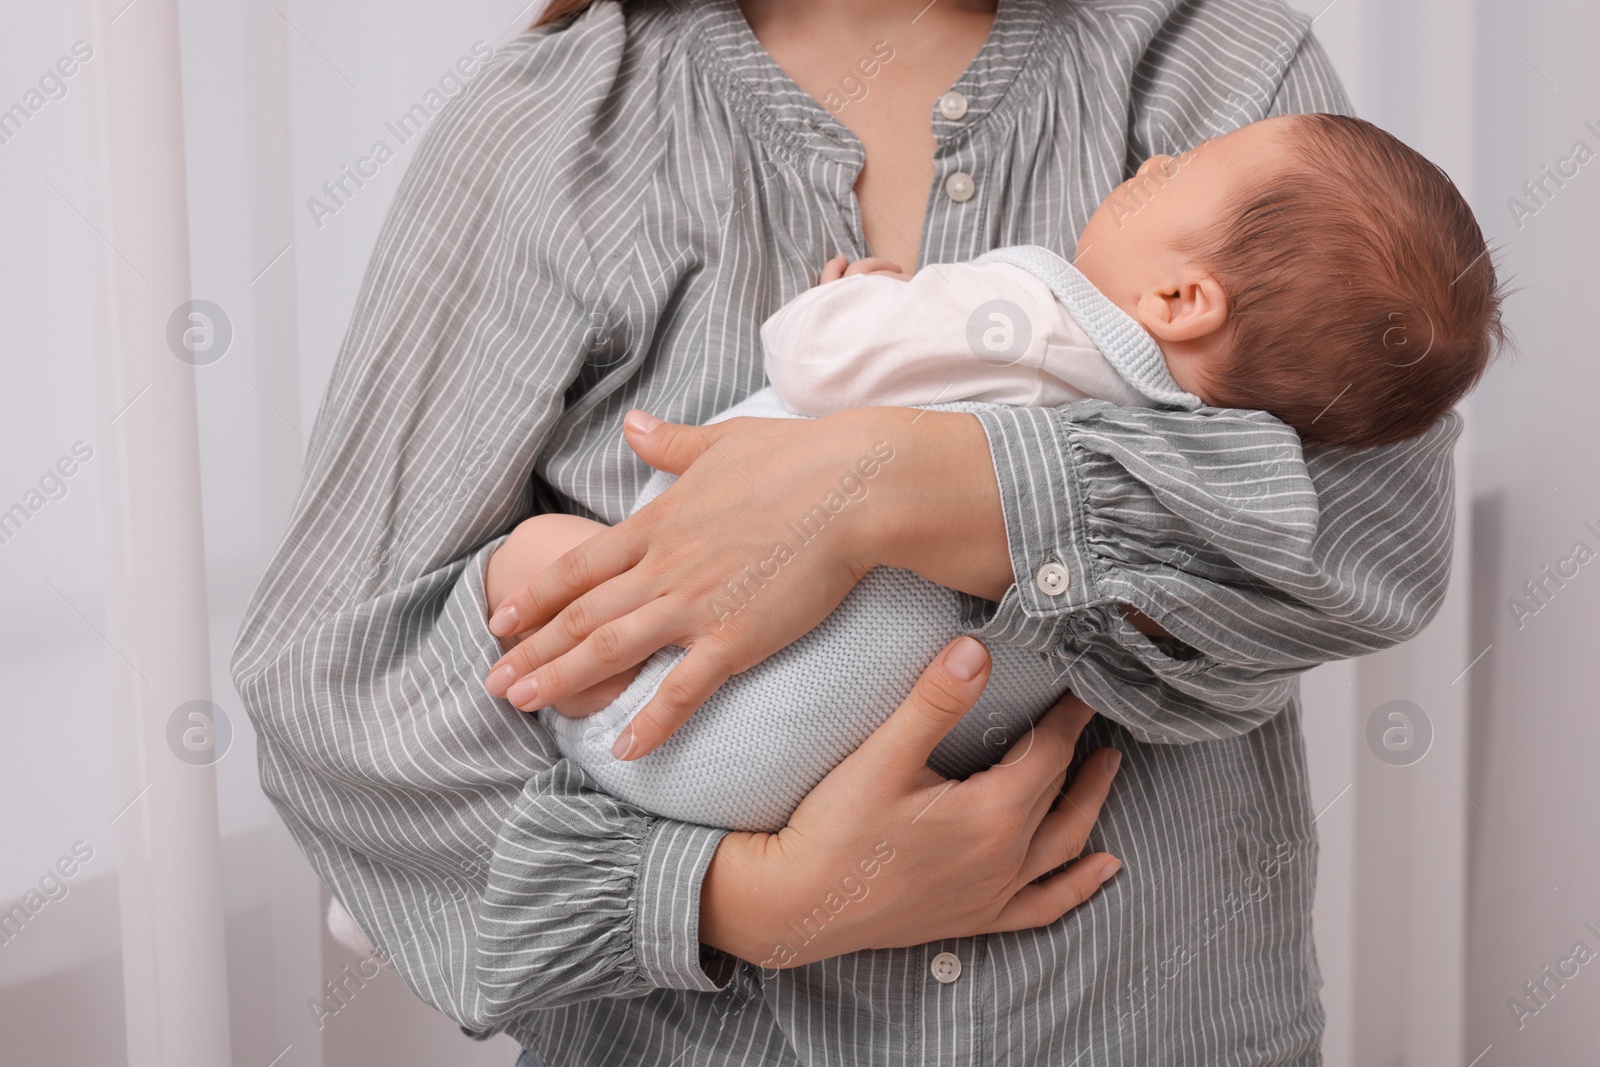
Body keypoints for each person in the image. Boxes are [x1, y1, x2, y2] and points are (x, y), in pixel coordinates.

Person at [231, 1, 1463, 1062]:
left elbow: (1365, 549)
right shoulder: (549, 132)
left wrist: (910, 478)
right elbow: (331, 673)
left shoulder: (1217, 69)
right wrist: (737, 900)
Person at [480, 112, 1503, 835]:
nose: (1153, 158)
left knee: (534, 556)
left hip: (666, 722)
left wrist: (857, 298)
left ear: (1185, 295)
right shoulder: (1220, 463)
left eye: (1177, 173)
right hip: (811, 782)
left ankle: (449, 873)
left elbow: (811, 356)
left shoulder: (1034, 308)